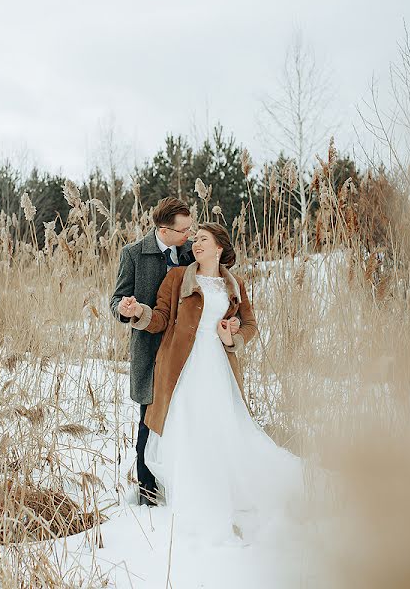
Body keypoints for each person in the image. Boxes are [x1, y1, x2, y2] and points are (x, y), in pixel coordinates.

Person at [119, 222, 303, 543]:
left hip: (218, 367)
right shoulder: (178, 277)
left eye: (203, 239)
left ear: (219, 247)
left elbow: (250, 324)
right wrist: (139, 312)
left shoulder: (234, 284)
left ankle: (227, 493)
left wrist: (232, 335)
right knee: (188, 430)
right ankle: (191, 500)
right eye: (195, 239)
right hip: (182, 367)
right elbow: (161, 318)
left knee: (221, 428)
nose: (196, 243)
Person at [110, 198, 239, 506]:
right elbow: (116, 300)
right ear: (164, 230)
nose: (190, 235)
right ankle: (148, 493)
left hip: (189, 351)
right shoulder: (134, 254)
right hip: (150, 346)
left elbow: (217, 273)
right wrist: (126, 309)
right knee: (150, 420)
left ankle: (192, 484)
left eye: (192, 229)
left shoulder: (189, 249)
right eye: (184, 230)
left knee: (188, 417)